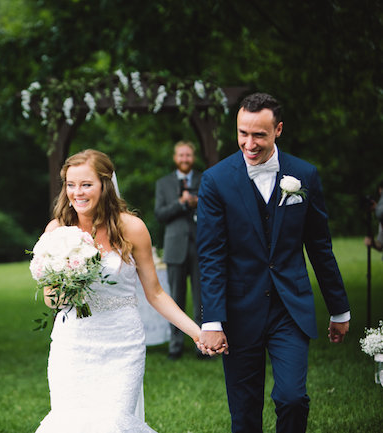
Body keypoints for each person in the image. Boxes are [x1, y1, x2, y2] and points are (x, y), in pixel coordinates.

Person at [197, 92, 350, 432]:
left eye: (259, 135)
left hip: (289, 308)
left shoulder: (304, 175)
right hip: (239, 309)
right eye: (242, 133)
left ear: (278, 129)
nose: (249, 144)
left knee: (292, 397)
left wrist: (339, 310)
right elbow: (211, 256)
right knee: (245, 410)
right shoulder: (215, 180)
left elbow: (320, 246)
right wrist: (213, 320)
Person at [35, 149, 208, 432]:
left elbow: (155, 293)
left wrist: (196, 332)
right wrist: (65, 286)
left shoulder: (133, 228)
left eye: (86, 184)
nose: (77, 193)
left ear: (105, 185)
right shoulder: (58, 230)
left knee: (114, 423)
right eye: (70, 184)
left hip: (121, 344)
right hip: (72, 344)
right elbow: (51, 300)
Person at [154, 140, 203, 360]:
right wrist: (181, 204)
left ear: (193, 157)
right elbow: (160, 214)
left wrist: (197, 202)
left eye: (188, 155)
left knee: (203, 298)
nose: (185, 159)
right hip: (175, 247)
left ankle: (203, 343)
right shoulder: (163, 183)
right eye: (181, 155)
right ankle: (176, 345)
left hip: (201, 246)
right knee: (175, 298)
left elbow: (215, 209)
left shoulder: (205, 180)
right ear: (175, 158)